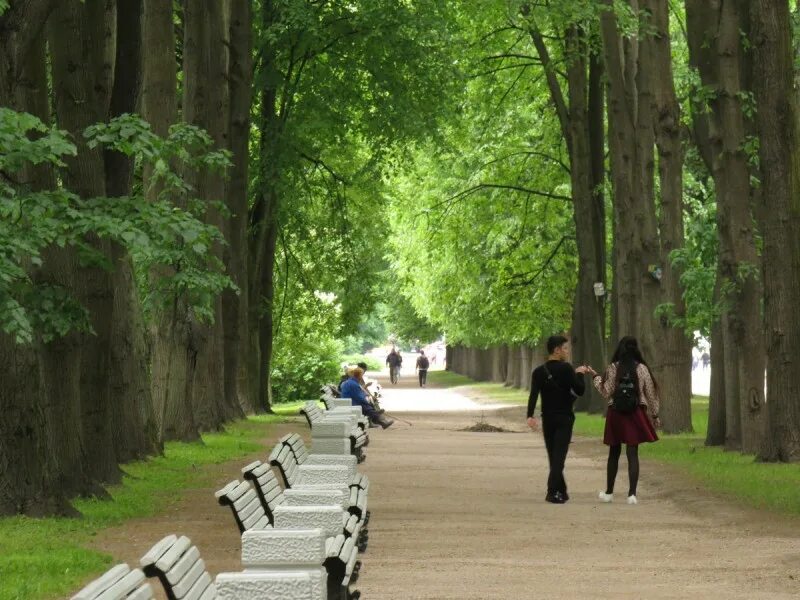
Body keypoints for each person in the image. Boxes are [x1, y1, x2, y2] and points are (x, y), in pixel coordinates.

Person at [586, 336, 660, 505]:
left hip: (616, 413)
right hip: (636, 413)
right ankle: (632, 494)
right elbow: (651, 392)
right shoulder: (642, 368)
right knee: (632, 453)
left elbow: (606, 391)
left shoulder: (613, 368)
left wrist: (596, 377)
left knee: (614, 453)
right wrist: (655, 414)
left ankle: (609, 493)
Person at [526, 335, 590, 504]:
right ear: (556, 350)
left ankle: (561, 490)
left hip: (548, 418)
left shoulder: (539, 372)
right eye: (565, 348)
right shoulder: (567, 369)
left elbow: (533, 395)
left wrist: (530, 415)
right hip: (564, 418)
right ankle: (552, 491)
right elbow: (580, 390)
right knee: (559, 458)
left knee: (553, 456)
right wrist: (580, 374)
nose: (567, 351)